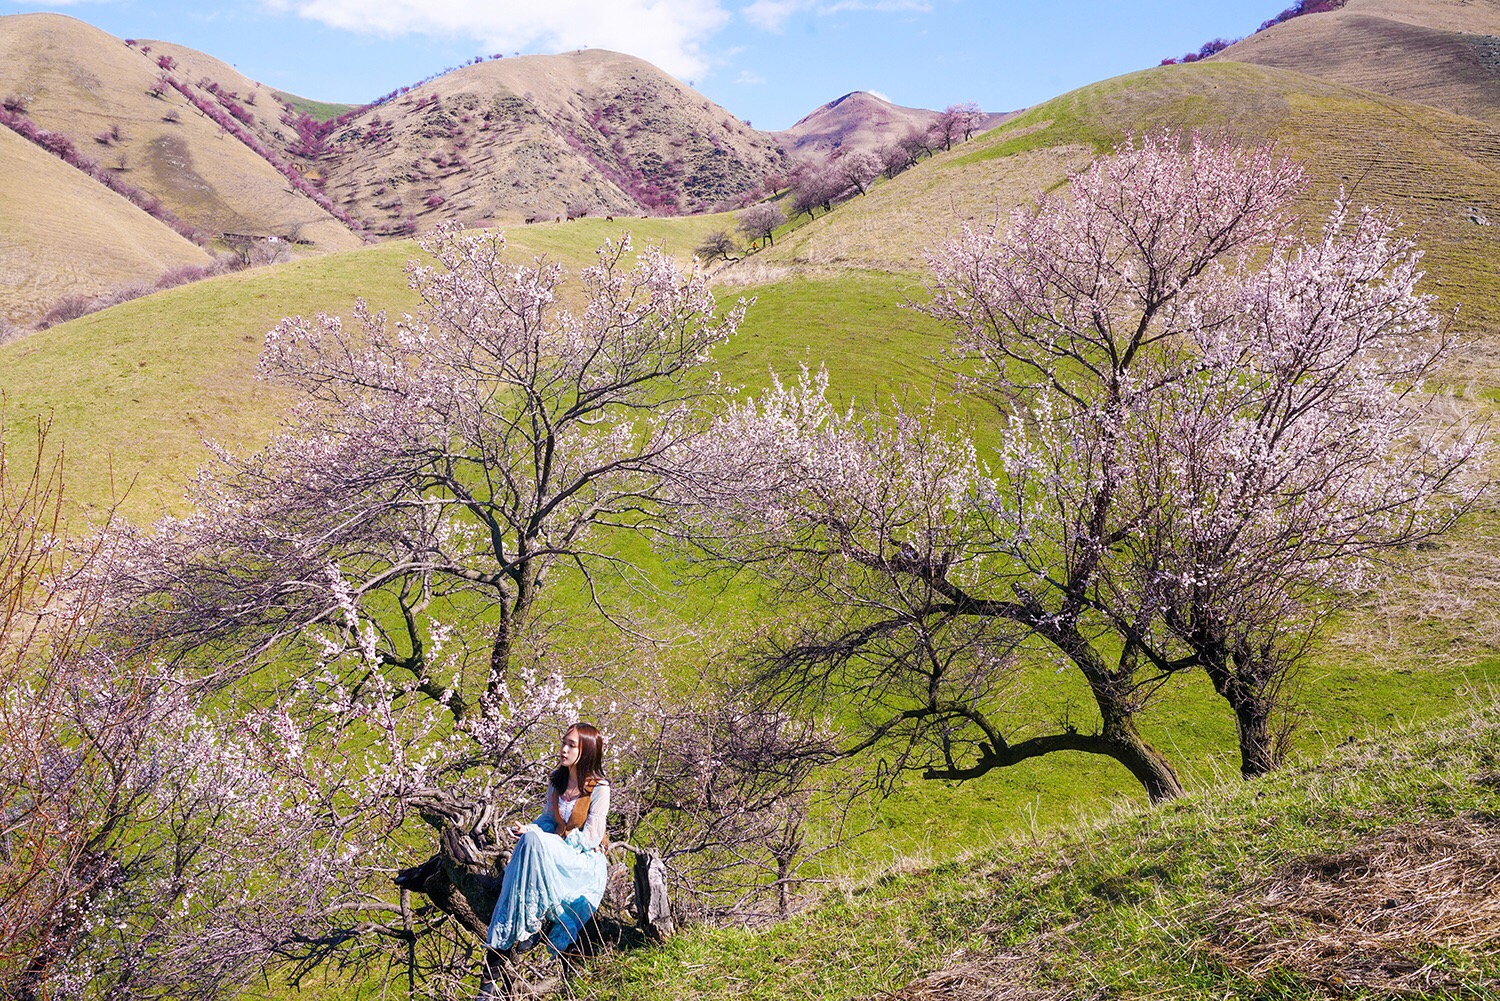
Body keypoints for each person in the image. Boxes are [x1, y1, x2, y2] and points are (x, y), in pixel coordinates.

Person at [486, 723, 611, 955]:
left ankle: (533, 923)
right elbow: (548, 819)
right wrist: (529, 829)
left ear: (588, 752)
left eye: (571, 745)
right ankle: (524, 926)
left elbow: (592, 837)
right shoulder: (556, 781)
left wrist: (550, 842)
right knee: (529, 842)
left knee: (536, 843)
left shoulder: (599, 788)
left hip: (582, 859)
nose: (563, 749)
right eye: (564, 742)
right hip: (558, 851)